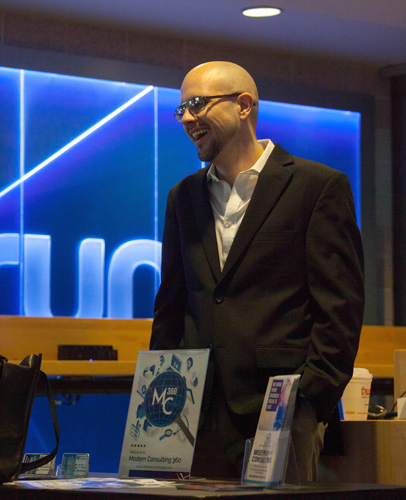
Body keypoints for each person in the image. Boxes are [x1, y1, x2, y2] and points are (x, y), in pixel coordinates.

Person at [150, 61, 365, 481]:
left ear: (244, 105)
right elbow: (171, 305)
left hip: (281, 412)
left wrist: (310, 401)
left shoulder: (317, 186)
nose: (188, 119)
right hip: (192, 414)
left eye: (197, 104)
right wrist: (159, 402)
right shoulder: (183, 196)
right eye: (182, 111)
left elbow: (340, 307)